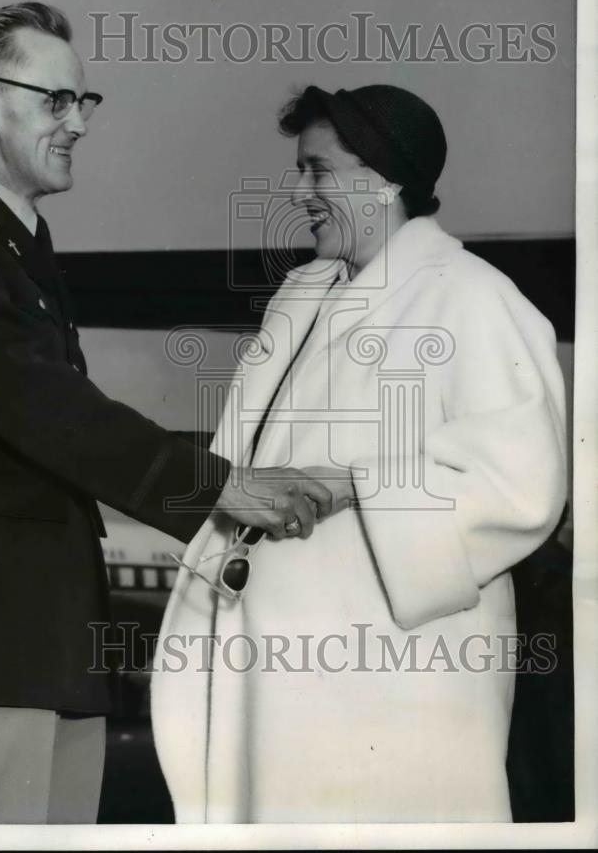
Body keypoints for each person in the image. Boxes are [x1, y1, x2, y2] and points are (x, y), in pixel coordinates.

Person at [0, 2, 333, 824]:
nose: (78, 124)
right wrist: (219, 488)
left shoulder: (10, 246)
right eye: (55, 100)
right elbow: (41, 407)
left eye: (84, 102)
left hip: (41, 650)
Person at [151, 84, 568, 823]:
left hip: (388, 674)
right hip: (273, 670)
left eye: (319, 171)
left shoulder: (472, 297)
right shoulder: (303, 296)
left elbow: (521, 483)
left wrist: (355, 483)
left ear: (385, 181)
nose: (299, 191)